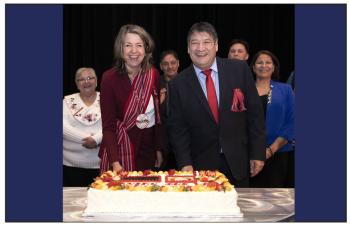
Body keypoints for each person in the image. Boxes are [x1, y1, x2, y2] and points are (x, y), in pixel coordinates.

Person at [167, 22, 266, 187]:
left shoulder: (239, 70)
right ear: (188, 48)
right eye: (195, 43)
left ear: (216, 45)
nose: (200, 48)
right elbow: (178, 129)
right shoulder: (178, 84)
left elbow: (255, 115)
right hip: (200, 167)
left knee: (240, 210)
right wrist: (185, 163)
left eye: (206, 42)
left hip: (239, 162)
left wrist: (258, 153)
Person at [99, 24, 163, 173]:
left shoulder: (153, 75)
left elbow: (157, 117)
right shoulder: (109, 78)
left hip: (147, 151)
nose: (134, 51)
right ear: (120, 49)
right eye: (128, 45)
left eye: (139, 45)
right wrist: (114, 162)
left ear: (146, 49)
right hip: (120, 150)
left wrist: (159, 148)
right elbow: (108, 126)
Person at [249, 50, 295, 188]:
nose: (264, 65)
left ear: (273, 67)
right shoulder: (244, 90)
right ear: (253, 67)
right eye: (259, 62)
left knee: (275, 199)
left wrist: (270, 150)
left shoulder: (285, 90)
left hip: (278, 154)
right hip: (249, 156)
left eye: (268, 62)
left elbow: (292, 121)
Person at [63, 67, 102, 186]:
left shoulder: (107, 98)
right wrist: (86, 139)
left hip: (102, 164)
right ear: (76, 83)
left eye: (90, 78)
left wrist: (96, 139)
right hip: (71, 165)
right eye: (82, 79)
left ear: (96, 81)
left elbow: (113, 123)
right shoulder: (67, 101)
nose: (87, 82)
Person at [159, 50, 180, 170]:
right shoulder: (155, 84)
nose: (170, 66)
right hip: (162, 143)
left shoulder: (187, 82)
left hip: (183, 142)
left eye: (173, 63)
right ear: (161, 66)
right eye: (166, 64)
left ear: (178, 64)